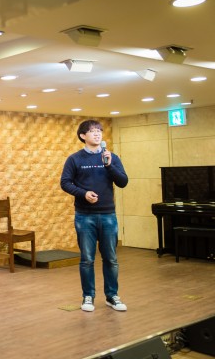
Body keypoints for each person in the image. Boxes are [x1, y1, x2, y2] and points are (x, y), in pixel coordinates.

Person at [60, 120, 129, 312]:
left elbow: (123, 182)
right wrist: (83, 194)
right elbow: (65, 183)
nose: (97, 134)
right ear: (83, 136)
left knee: (111, 259)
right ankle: (88, 296)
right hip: (84, 216)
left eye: (99, 131)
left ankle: (112, 296)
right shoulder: (74, 159)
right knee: (87, 259)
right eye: (92, 131)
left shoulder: (111, 157)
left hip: (108, 215)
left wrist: (109, 165)